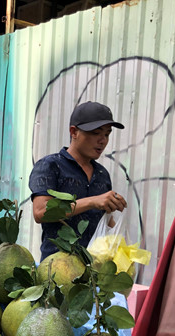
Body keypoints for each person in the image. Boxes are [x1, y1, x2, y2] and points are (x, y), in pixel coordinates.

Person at [29, 101, 128, 261]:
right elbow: (40, 212)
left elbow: (105, 221)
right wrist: (92, 202)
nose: (103, 140)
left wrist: (118, 243)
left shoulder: (102, 175)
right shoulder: (50, 166)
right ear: (74, 132)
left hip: (94, 274)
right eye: (96, 133)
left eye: (107, 134)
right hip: (57, 271)